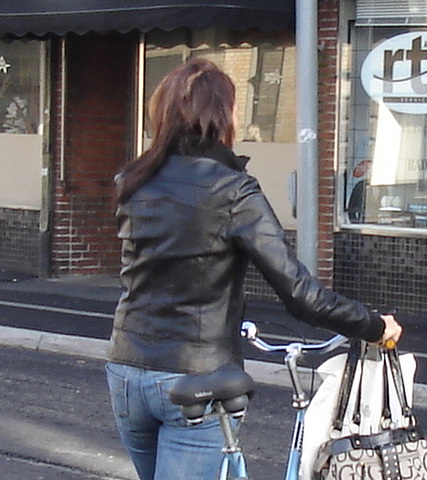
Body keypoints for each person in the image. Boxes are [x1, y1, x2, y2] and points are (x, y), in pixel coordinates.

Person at [105, 57, 402, 480]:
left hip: (127, 368)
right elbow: (300, 294)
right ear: (222, 114)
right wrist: (373, 325)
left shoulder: (133, 181)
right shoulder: (232, 190)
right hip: (196, 376)